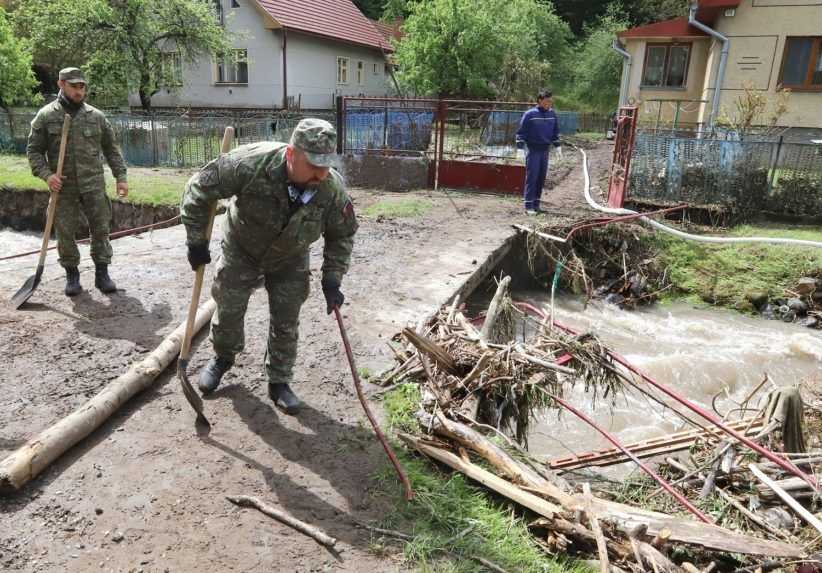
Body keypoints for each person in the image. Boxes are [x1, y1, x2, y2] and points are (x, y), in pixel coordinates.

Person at [180, 118, 358, 415]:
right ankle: (223, 357)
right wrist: (196, 240)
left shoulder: (331, 189)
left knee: (286, 317)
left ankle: (279, 381)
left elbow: (342, 234)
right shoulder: (249, 163)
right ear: (291, 154)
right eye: (313, 164)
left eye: (325, 165)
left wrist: (333, 279)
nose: (320, 173)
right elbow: (199, 187)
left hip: (291, 255)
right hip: (243, 247)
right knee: (229, 306)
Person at [26, 67, 128, 296]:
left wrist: (120, 177)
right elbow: (33, 151)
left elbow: (112, 150)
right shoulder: (46, 116)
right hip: (64, 187)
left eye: (82, 86)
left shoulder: (96, 117)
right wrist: (47, 175)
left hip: (93, 184)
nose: (79, 91)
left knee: (101, 228)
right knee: (64, 231)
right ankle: (72, 275)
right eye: (74, 86)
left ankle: (102, 273)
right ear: (61, 84)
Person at [515, 89, 562, 215]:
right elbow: (521, 132)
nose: (549, 104)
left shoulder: (552, 114)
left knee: (541, 178)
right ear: (540, 100)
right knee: (532, 177)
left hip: (545, 151)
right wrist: (520, 148)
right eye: (547, 101)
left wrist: (558, 146)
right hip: (533, 150)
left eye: (550, 101)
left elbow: (555, 132)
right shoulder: (530, 114)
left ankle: (536, 204)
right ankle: (528, 205)